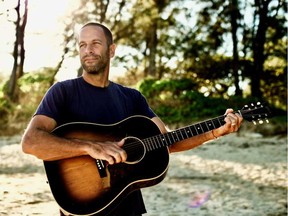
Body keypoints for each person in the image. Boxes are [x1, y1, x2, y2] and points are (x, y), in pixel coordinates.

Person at [21, 22, 243, 216]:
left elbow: (167, 141)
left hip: (129, 208)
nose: (88, 50)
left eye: (95, 43)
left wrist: (216, 131)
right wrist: (90, 147)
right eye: (82, 45)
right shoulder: (63, 92)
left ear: (112, 50)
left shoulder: (132, 97)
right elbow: (31, 142)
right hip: (83, 206)